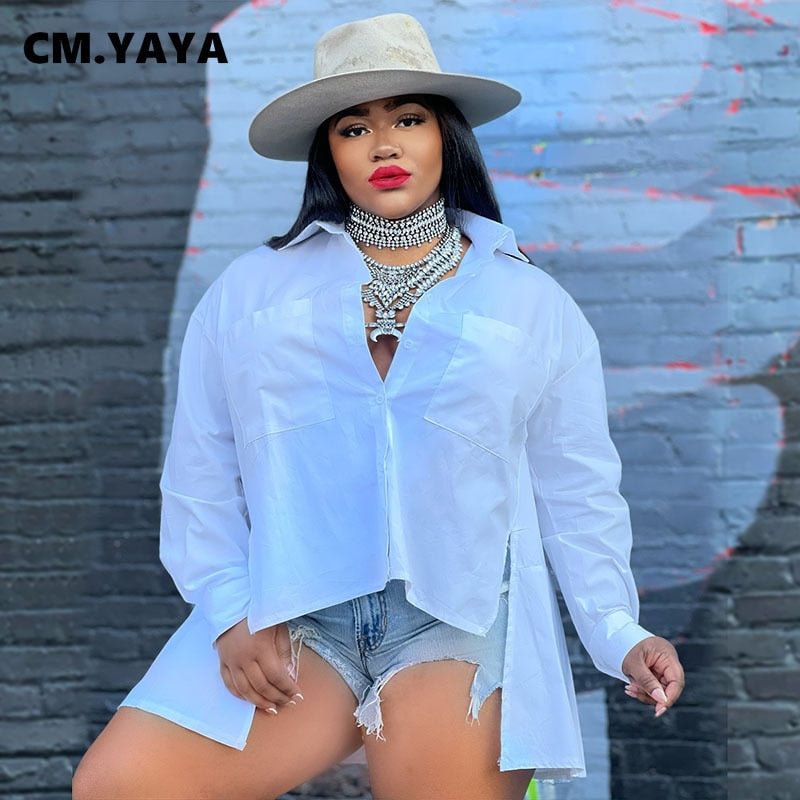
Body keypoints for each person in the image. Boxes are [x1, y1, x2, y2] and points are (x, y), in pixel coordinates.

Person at [72, 12, 685, 800]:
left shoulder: (529, 302)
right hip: (292, 611)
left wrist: (619, 632)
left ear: (446, 136)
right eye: (354, 127)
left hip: (457, 619)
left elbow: (577, 489)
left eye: (408, 119)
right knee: (118, 786)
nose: (384, 145)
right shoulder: (253, 291)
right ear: (328, 152)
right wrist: (228, 610)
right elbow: (201, 468)